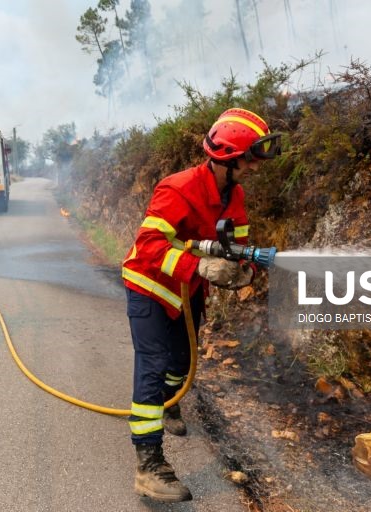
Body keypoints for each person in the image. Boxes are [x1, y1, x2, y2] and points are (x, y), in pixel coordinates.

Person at [121, 108, 281, 502]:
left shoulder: (235, 194)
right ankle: (149, 465)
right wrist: (202, 265)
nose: (255, 168)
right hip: (151, 286)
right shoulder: (176, 189)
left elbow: (238, 244)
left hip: (187, 290)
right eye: (250, 159)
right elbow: (151, 246)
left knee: (182, 362)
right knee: (154, 364)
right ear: (228, 157)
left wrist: (244, 269)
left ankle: (169, 406)